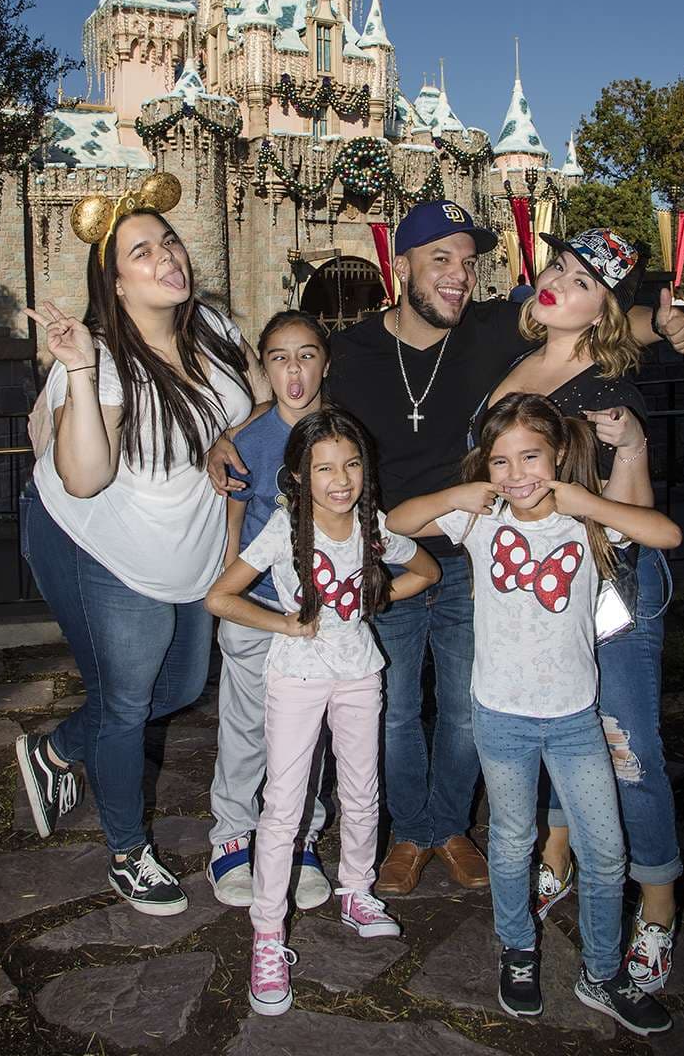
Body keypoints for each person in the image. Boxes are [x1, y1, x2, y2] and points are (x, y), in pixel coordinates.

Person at [209, 201, 684, 897]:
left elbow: (592, 317)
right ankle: (411, 832)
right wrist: (231, 436)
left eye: (469, 262)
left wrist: (666, 321)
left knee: (468, 710)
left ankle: (448, 827)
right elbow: (294, 392)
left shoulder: (495, 327)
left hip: (481, 564)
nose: (458, 275)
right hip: (394, 557)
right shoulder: (350, 351)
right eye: (440, 258)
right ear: (399, 265)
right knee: (397, 709)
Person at [386, 393, 680, 1036]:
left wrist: (588, 502)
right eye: (499, 461)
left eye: (530, 456)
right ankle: (518, 951)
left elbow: (666, 534)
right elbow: (396, 522)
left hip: (576, 720)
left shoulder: (582, 521)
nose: (517, 474)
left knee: (605, 851)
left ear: (557, 455)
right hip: (502, 718)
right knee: (513, 841)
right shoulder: (482, 520)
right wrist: (453, 497)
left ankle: (602, 972)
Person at [16, 179, 263, 914]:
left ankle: (57, 750)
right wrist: (82, 371)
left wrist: (223, 437)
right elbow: (85, 477)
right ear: (114, 281)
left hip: (183, 546)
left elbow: (247, 407)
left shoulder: (213, 329)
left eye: (170, 242)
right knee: (125, 702)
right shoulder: (104, 363)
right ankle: (127, 851)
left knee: (182, 686)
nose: (168, 258)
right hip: (96, 542)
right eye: (142, 251)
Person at [476, 227, 683, 992]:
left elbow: (636, 521)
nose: (558, 280)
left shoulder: (607, 388)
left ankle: (657, 904)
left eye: (581, 279)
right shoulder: (520, 361)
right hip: (541, 597)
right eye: (558, 265)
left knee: (627, 750)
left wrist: (629, 450)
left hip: (610, 600)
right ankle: (557, 858)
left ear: (604, 310)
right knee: (564, 725)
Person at [206, 408, 439, 1017]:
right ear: (299, 476)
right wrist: (284, 621)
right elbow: (221, 596)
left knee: (362, 790)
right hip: (297, 678)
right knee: (284, 804)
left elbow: (426, 569)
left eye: (353, 464)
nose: (341, 479)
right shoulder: (284, 532)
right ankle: (267, 934)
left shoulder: (376, 527)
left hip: (360, 673)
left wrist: (376, 595)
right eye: (325, 468)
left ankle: (357, 891)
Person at [207, 312, 332, 909]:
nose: (294, 371)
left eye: (306, 355)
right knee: (246, 726)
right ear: (263, 366)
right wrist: (227, 590)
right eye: (279, 357)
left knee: (312, 733)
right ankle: (232, 833)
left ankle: (303, 834)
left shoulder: (341, 434)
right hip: (258, 607)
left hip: (321, 614)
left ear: (324, 363)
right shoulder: (248, 441)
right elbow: (236, 515)